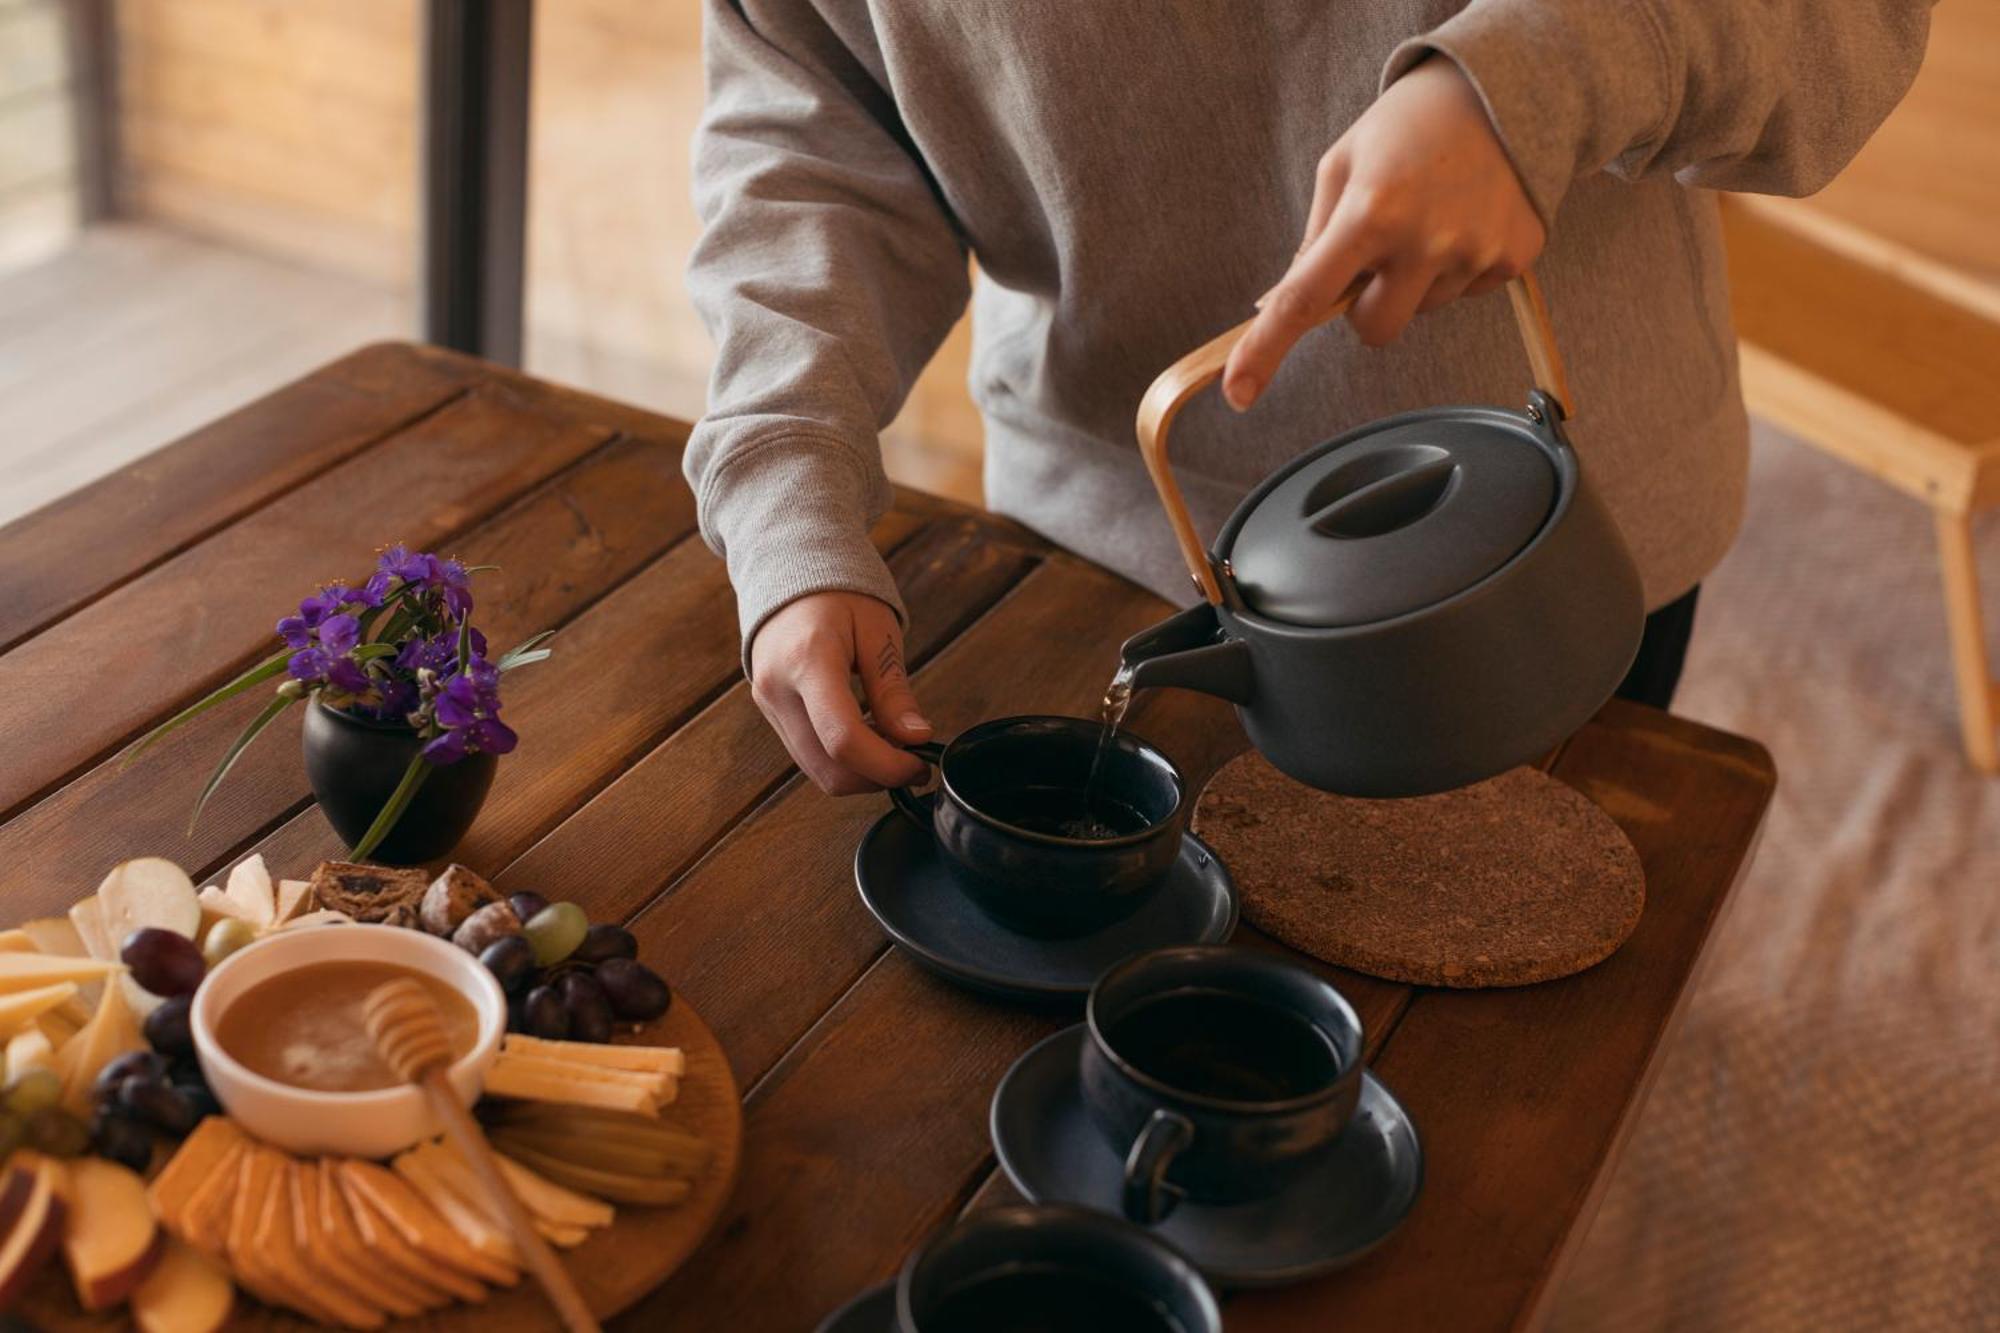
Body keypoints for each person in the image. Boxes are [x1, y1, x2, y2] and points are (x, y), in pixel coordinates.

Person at [686, 1, 1931, 795]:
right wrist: (785, 487)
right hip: (1102, 539)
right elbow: (807, 135)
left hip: (1552, 541)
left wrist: (1532, 77)